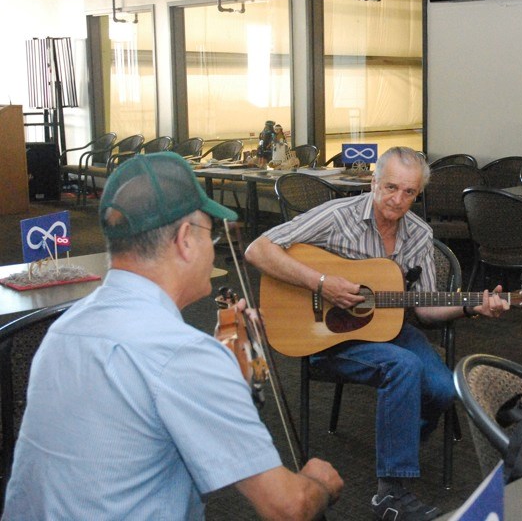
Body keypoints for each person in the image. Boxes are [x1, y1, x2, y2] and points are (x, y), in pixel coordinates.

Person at [3, 152, 343, 520]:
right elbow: (288, 506)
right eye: (209, 232)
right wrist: (320, 482)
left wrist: (220, 362)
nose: (213, 246)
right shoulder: (182, 356)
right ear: (185, 239)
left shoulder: (63, 331)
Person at [245, 146, 509, 521]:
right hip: (325, 334)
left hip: (388, 330)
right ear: (373, 182)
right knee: (402, 368)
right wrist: (321, 283)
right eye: (390, 187)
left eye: (409, 193)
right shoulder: (339, 216)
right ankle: (392, 494)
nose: (397, 200)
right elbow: (258, 250)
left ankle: (397, 439)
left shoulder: (419, 233)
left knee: (444, 388)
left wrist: (472, 305)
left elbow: (425, 310)